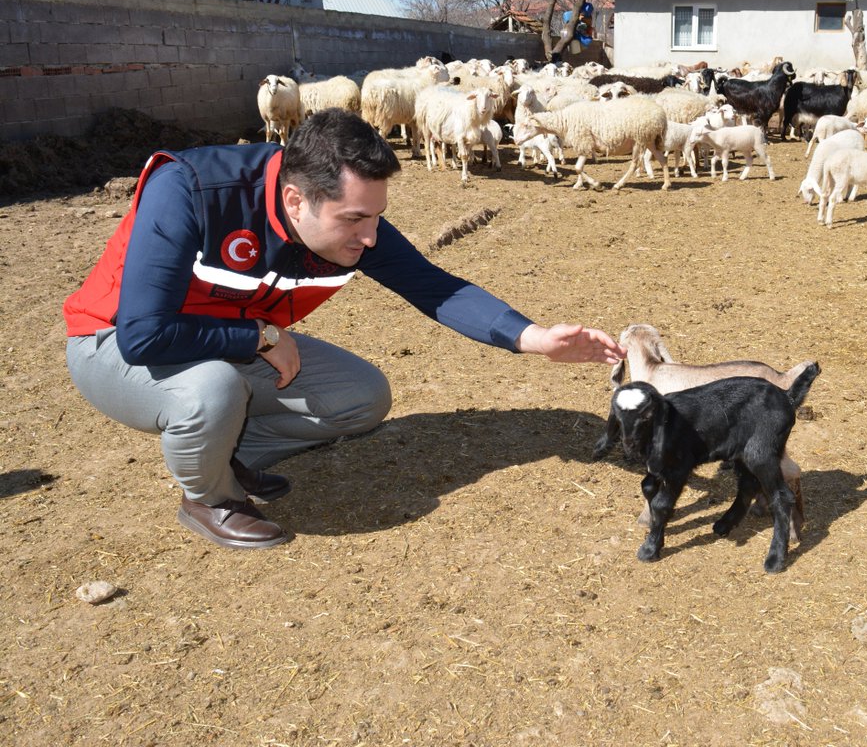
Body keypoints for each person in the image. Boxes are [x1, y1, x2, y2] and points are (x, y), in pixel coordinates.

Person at [63, 109, 624, 550]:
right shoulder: (189, 189)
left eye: (376, 216)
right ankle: (208, 498)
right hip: (113, 347)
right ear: (294, 200)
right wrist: (258, 337)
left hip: (230, 339)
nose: (371, 237)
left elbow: (433, 286)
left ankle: (233, 451)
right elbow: (144, 336)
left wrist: (535, 338)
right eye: (355, 220)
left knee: (360, 399)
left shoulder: (348, 220)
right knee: (213, 389)